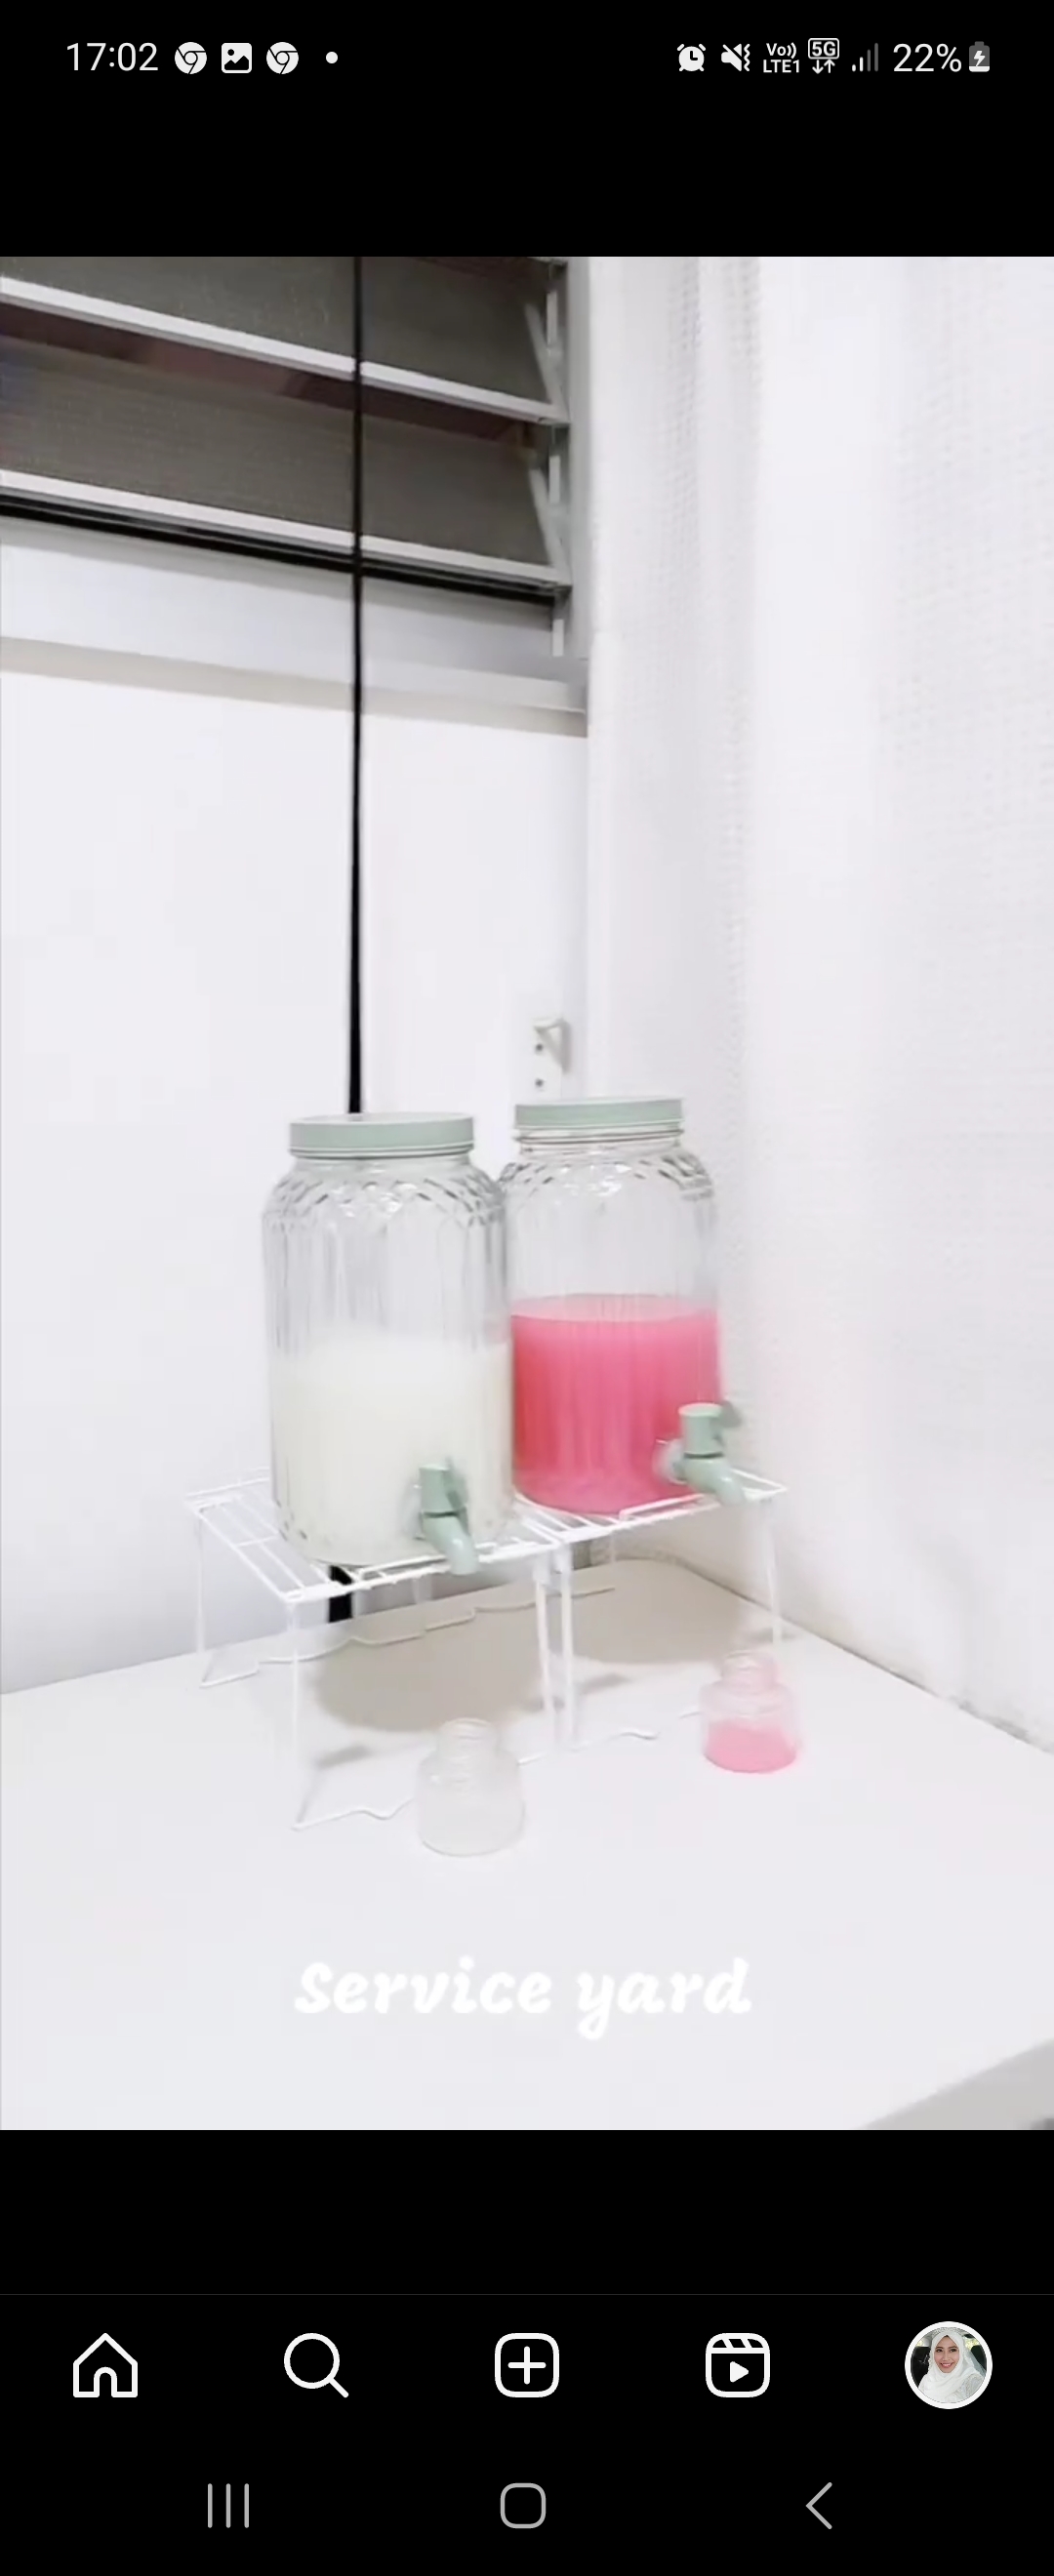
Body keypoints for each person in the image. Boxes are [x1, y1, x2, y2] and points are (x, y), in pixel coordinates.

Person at [918, 2325, 985, 2406]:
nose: (945, 2358)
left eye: (952, 2350)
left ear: (962, 2353)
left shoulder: (973, 2381)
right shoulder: (926, 2380)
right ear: (932, 2354)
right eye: (939, 2350)